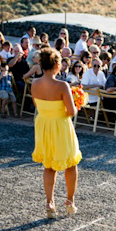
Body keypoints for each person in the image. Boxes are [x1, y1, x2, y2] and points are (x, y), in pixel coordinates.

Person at [31, 48, 81, 218]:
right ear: (58, 65)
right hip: (60, 126)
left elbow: (38, 106)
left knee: (49, 165)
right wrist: (77, 103)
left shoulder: (34, 84)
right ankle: (69, 200)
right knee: (71, 163)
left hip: (44, 125)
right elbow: (71, 111)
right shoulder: (62, 85)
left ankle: (49, 202)